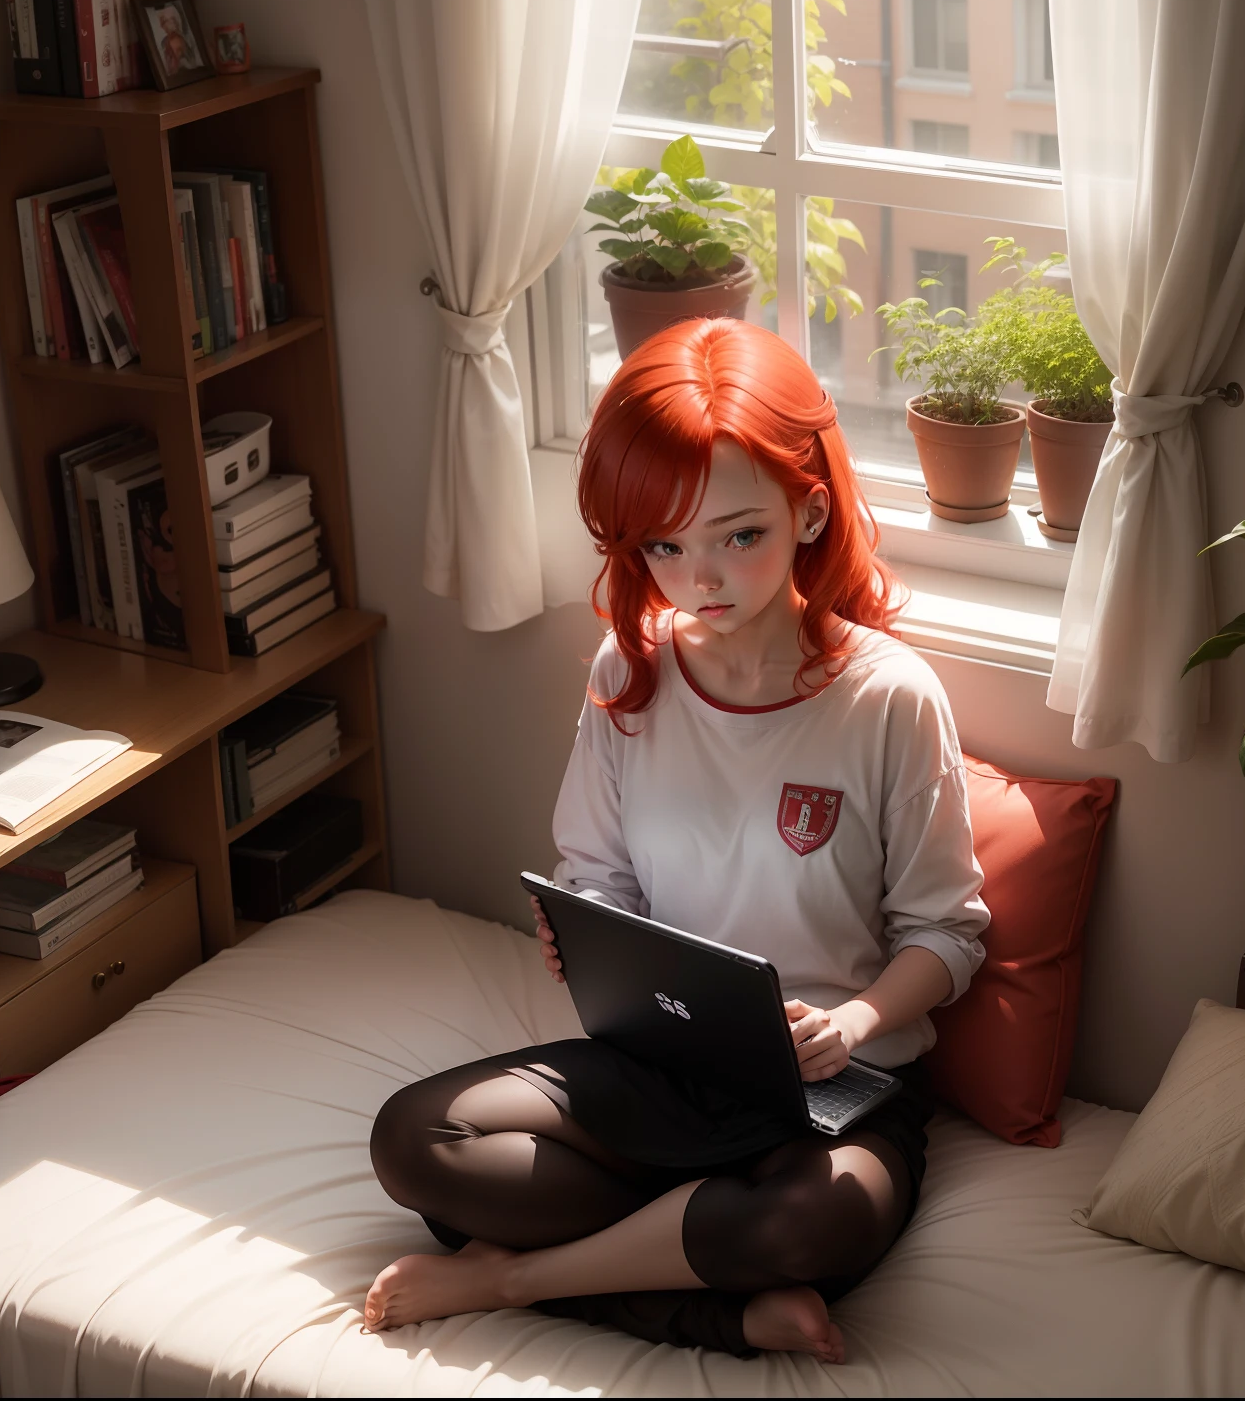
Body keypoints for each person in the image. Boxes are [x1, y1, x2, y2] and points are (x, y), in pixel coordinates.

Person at [364, 318, 989, 1360]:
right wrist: (588, 930)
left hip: (833, 1089)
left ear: (808, 508)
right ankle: (711, 1299)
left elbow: (949, 935)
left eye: (738, 534)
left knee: (803, 1222)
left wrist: (853, 1022)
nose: (701, 577)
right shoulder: (628, 672)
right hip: (656, 1060)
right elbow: (596, 876)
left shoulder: (887, 699)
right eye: (664, 545)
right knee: (417, 1142)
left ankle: (515, 1276)